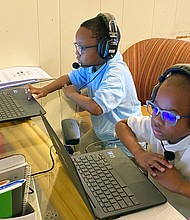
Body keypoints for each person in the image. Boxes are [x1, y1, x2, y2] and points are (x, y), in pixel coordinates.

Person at [27, 13, 141, 154]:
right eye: (77, 46)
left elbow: (96, 107)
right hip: (103, 133)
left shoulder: (115, 74)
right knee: (75, 158)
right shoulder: (93, 66)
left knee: (96, 169)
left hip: (124, 142)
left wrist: (72, 94)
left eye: (82, 47)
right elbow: (68, 78)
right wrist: (44, 90)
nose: (77, 53)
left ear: (105, 48)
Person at [115, 64, 190, 217]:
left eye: (169, 116)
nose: (156, 120)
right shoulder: (156, 129)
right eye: (155, 108)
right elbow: (121, 125)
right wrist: (139, 154)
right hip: (153, 202)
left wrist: (180, 186)